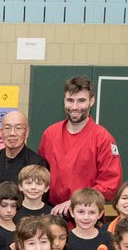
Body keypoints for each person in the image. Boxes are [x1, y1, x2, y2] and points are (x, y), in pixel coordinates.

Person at [38, 76, 122, 216]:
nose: (75, 107)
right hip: (51, 214)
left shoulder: (103, 138)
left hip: (86, 216)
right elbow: (40, 174)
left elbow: (110, 185)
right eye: (70, 100)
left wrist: (75, 202)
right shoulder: (50, 133)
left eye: (81, 100)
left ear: (92, 101)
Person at [0, 110, 48, 187]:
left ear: (27, 132)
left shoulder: (37, 164)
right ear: (1, 132)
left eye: (18, 128)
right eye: (7, 128)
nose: (12, 133)